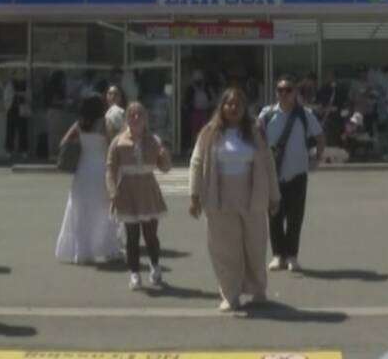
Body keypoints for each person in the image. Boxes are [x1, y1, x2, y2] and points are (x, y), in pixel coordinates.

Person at [189, 87, 279, 311]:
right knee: (225, 249)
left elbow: (268, 164)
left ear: (244, 108)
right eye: (228, 104)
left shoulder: (255, 131)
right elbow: (196, 162)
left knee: (255, 246)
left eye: (237, 104)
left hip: (252, 196)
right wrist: (194, 195)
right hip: (219, 197)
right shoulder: (209, 132)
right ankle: (230, 295)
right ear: (222, 107)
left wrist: (274, 196)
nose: (233, 108)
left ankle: (258, 290)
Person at [261, 75, 324, 273]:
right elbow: (256, 137)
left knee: (295, 217)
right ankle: (278, 255)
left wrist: (318, 158)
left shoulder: (304, 114)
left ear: (295, 92)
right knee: (274, 216)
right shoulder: (267, 114)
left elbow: (320, 137)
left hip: (298, 173)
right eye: (280, 90)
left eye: (288, 90)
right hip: (273, 174)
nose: (284, 94)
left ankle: (292, 256)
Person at [106, 101, 172, 291]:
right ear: (126, 118)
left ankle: (155, 265)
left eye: (139, 114)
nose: (135, 118)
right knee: (132, 236)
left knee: (151, 235)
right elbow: (110, 168)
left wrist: (164, 155)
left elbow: (165, 168)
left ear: (145, 119)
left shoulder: (154, 140)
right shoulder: (118, 142)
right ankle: (134, 273)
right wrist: (112, 191)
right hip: (127, 192)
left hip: (148, 190)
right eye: (132, 115)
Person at [55, 95, 122, 264]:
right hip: (100, 170)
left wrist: (79, 144)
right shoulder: (104, 124)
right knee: (104, 209)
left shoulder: (79, 124)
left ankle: (82, 252)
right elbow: (113, 146)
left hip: (83, 170)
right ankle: (108, 248)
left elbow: (63, 142)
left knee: (81, 211)